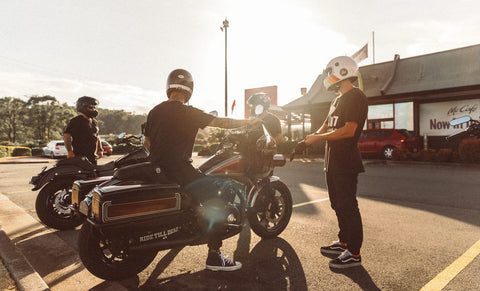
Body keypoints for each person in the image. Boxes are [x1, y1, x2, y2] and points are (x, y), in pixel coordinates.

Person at [143, 68, 261, 272]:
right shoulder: (189, 112)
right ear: (189, 89)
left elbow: (146, 142)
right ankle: (214, 256)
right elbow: (221, 123)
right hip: (180, 170)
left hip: (155, 170)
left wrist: (160, 157)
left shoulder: (155, 111)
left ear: (169, 88)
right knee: (221, 194)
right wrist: (248, 121)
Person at [296, 56, 368, 269]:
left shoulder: (356, 96)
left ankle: (354, 253)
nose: (327, 77)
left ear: (343, 72)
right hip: (332, 161)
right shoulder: (337, 99)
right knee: (337, 204)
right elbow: (326, 125)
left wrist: (317, 138)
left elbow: (348, 130)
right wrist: (306, 140)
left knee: (348, 205)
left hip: (346, 161)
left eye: (329, 73)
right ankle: (343, 241)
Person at [64, 96, 103, 165]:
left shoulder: (94, 122)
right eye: (90, 107)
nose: (93, 109)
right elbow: (67, 136)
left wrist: (100, 149)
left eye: (94, 107)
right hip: (80, 157)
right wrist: (70, 152)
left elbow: (97, 136)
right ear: (83, 107)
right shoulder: (76, 121)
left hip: (92, 157)